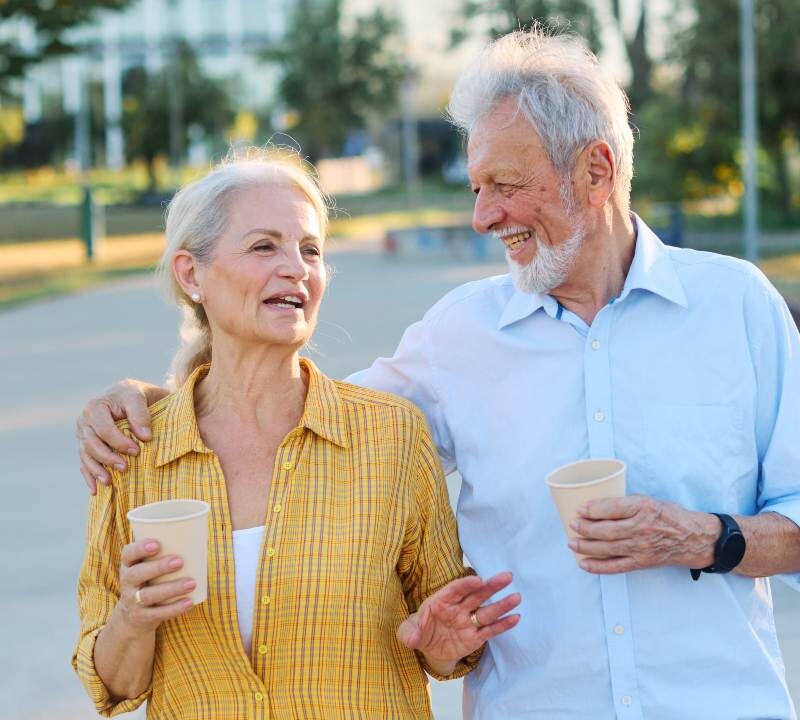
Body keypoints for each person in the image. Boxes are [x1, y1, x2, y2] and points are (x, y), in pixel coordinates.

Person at [76, 31, 800, 719]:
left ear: (596, 171)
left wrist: (704, 538)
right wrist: (156, 402)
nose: (484, 216)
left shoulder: (737, 307)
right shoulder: (460, 334)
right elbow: (294, 415)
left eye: (505, 184)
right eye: (476, 187)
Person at [72, 149, 521, 719]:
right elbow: (114, 687)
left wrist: (447, 641)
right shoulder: (131, 451)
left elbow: (450, 637)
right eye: (264, 246)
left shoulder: (391, 436)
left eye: (310, 250)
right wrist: (133, 618)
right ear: (191, 275)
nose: (297, 268)